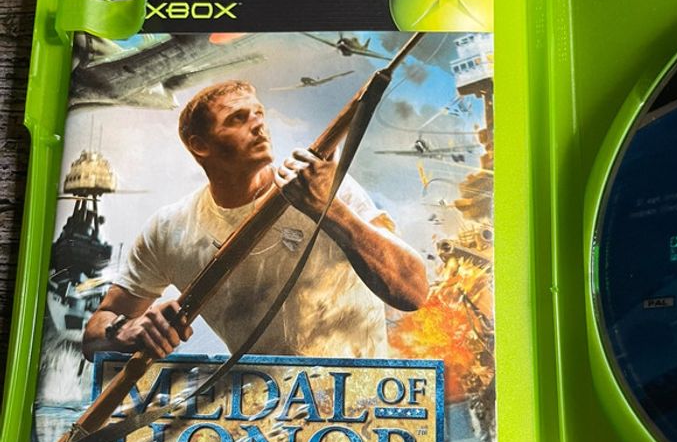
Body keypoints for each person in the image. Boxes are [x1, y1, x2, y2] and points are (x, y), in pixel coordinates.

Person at [83, 80, 428, 362]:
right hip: (261, 411)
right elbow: (93, 336)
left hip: (356, 402)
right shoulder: (170, 230)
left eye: (258, 113)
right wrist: (126, 331)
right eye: (237, 118)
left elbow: (413, 291)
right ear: (200, 145)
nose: (259, 124)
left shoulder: (322, 186)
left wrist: (329, 208)